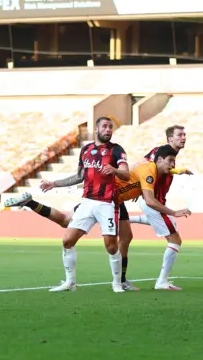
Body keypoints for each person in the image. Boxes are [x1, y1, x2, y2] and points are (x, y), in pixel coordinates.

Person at [5, 144, 190, 291]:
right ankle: (30, 203)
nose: (172, 165)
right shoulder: (148, 170)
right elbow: (149, 200)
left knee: (126, 237)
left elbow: (165, 169)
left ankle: (122, 280)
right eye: (171, 161)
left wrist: (178, 170)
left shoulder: (155, 169)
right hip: (103, 200)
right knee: (64, 221)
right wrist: (174, 212)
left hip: (116, 202)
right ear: (158, 159)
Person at [40, 116, 129, 293]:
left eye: (110, 127)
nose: (108, 130)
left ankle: (117, 283)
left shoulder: (117, 150)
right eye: (104, 126)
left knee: (111, 246)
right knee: (67, 240)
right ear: (96, 130)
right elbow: (80, 176)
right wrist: (54, 183)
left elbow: (126, 174)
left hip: (106, 204)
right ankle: (70, 282)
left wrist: (115, 170)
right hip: (87, 202)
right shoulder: (86, 150)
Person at [122, 125, 192, 289]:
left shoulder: (168, 157)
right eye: (179, 135)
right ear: (170, 139)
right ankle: (162, 281)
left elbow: (162, 169)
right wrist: (134, 185)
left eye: (184, 134)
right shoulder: (158, 152)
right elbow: (142, 165)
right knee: (175, 239)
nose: (183, 137)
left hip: (156, 201)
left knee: (170, 226)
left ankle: (128, 219)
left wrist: (178, 170)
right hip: (152, 202)